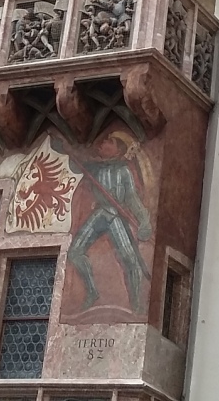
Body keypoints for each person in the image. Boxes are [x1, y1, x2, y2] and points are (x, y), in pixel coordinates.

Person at [67, 132, 151, 312]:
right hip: (99, 213)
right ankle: (92, 291)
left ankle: (136, 303)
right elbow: (75, 166)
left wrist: (144, 221)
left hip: (114, 216)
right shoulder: (94, 168)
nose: (102, 143)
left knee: (130, 259)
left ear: (117, 148)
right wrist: (65, 149)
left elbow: (132, 198)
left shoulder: (123, 171)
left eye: (109, 141)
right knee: (74, 252)